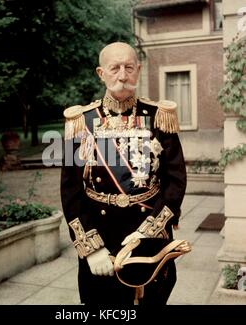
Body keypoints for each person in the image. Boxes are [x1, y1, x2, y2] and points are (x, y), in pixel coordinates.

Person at [60, 42, 187, 305]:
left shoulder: (159, 117)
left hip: (150, 232)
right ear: (100, 73)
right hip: (101, 234)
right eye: (114, 68)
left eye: (129, 67)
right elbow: (71, 190)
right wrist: (91, 248)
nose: (122, 75)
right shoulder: (81, 122)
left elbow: (175, 181)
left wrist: (148, 232)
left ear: (138, 70)